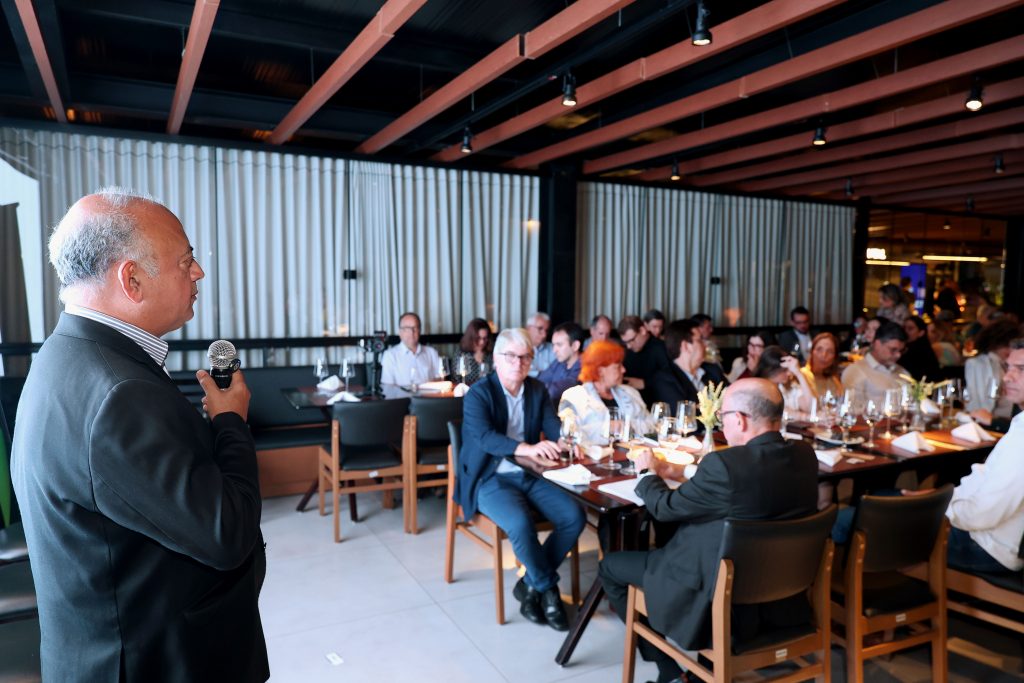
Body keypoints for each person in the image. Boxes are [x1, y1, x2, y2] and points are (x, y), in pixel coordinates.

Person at [10, 188, 268, 682]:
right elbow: (226, 533)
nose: (199, 274)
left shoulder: (62, 356)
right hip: (151, 660)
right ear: (131, 279)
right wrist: (230, 420)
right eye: (186, 260)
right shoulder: (119, 392)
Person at [599, 379, 819, 683]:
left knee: (610, 567)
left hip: (715, 589)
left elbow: (664, 508)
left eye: (723, 416)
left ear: (739, 420)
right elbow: (743, 486)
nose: (721, 423)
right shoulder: (805, 455)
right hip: (783, 590)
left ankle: (670, 671)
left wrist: (647, 472)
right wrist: (685, 470)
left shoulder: (725, 465)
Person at [456, 328, 586, 631]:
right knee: (520, 524)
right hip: (488, 477)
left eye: (525, 356)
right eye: (511, 356)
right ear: (497, 360)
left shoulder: (537, 389)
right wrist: (526, 447)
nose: (519, 362)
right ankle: (549, 588)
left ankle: (529, 585)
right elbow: (485, 438)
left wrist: (564, 441)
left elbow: (551, 425)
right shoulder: (479, 393)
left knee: (574, 516)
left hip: (531, 471)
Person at [946, 338, 1024, 574]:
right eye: (1007, 367)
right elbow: (986, 476)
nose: (1007, 377)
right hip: (1000, 541)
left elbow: (983, 515)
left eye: (1020, 370)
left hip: (993, 550)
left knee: (872, 521)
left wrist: (941, 508)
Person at [558, 341, 656, 447]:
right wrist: (608, 428)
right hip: (594, 460)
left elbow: (653, 425)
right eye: (617, 367)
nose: (624, 370)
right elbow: (569, 435)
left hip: (635, 457)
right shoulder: (574, 397)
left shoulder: (630, 392)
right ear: (600, 371)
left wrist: (626, 426)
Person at [650, 319, 728, 417]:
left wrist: (699, 407)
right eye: (700, 340)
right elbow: (685, 417)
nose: (705, 345)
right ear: (686, 346)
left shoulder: (713, 370)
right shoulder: (664, 379)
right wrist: (720, 410)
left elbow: (734, 399)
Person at [965, 319, 1021, 430]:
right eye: (1008, 346)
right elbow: (983, 405)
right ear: (997, 343)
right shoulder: (980, 364)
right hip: (989, 424)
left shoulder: (1003, 364)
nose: (1011, 350)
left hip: (1004, 424)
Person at [840, 321, 909, 405]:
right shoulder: (855, 371)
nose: (898, 355)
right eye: (893, 350)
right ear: (877, 344)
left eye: (901, 351)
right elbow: (852, 411)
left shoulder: (902, 372)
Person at [618, 315, 670, 404]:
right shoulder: (626, 349)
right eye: (625, 342)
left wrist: (645, 383)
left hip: (655, 404)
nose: (628, 346)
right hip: (629, 402)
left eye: (632, 340)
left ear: (642, 330)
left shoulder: (661, 348)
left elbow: (670, 378)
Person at [380, 311, 441, 386]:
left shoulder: (432, 352)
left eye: (415, 328)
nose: (411, 332)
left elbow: (439, 380)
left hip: (428, 396)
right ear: (400, 332)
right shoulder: (390, 355)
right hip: (402, 397)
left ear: (420, 330)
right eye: (406, 328)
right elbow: (388, 388)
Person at [754, 345, 815, 413]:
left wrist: (799, 373)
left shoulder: (788, 387)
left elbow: (811, 407)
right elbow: (773, 412)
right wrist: (801, 417)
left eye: (789, 369)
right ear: (771, 370)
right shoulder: (757, 389)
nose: (789, 373)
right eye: (784, 370)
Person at [537, 321, 584, 406]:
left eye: (559, 345)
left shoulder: (586, 367)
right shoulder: (559, 362)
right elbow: (539, 381)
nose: (554, 350)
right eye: (554, 345)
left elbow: (554, 392)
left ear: (575, 346)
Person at [800, 332, 844, 399]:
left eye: (830, 351)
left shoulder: (834, 380)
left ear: (835, 357)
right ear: (811, 352)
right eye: (819, 349)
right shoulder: (802, 376)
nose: (824, 355)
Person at [900, 316, 942, 380]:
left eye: (910, 328)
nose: (906, 331)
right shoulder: (903, 349)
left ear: (921, 332)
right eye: (904, 328)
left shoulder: (922, 352)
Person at [455, 317, 493, 385]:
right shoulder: (461, 354)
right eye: (478, 338)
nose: (482, 342)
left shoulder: (491, 354)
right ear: (471, 337)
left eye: (485, 338)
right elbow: (456, 380)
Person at [526, 312, 555, 377]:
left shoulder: (554, 348)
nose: (544, 335)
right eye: (540, 328)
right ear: (528, 329)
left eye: (546, 330)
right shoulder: (518, 348)